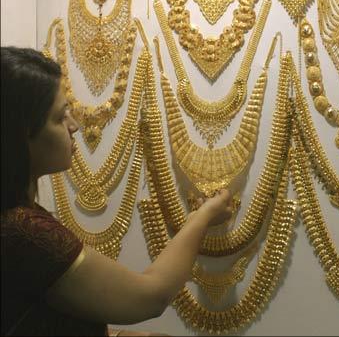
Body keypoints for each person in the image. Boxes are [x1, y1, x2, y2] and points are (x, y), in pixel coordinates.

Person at [1, 46, 233, 337]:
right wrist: (203, 217)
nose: (74, 126)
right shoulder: (25, 232)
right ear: (20, 134)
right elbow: (150, 296)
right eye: (60, 117)